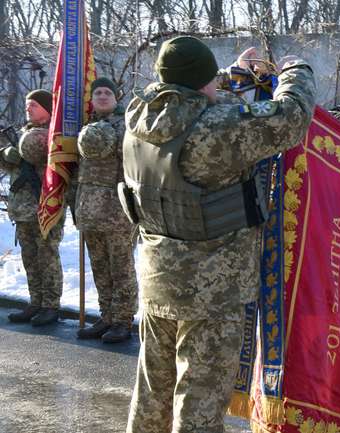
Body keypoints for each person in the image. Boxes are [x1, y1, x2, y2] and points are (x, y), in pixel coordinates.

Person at [121, 36, 315, 433]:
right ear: (202, 80)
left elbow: (187, 95)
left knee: (152, 393)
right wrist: (296, 71)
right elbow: (291, 118)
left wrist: (232, 74)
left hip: (158, 277)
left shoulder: (138, 114)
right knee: (200, 403)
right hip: (212, 289)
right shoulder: (217, 129)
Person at [74, 77, 138, 343]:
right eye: (97, 92)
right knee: (99, 267)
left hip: (117, 210)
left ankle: (122, 321)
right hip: (90, 210)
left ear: (115, 97)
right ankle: (107, 317)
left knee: (121, 268)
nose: (102, 96)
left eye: (106, 92)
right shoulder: (85, 127)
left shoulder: (128, 125)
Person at [2, 90, 64, 326]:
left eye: (34, 106)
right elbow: (12, 167)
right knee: (30, 257)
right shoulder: (23, 133)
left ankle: (50, 305)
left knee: (47, 256)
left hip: (45, 206)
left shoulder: (53, 135)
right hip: (23, 209)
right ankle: (35, 301)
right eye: (28, 105)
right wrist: (7, 156)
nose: (29, 109)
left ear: (47, 109)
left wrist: (21, 152)